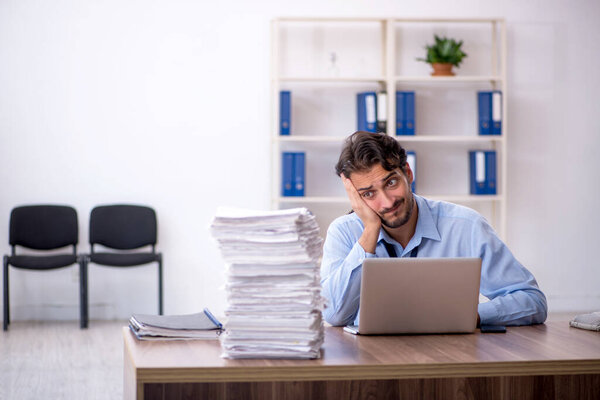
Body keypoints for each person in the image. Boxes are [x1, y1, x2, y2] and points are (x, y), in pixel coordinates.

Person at [321, 131, 547, 327]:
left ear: (407, 173)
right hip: (372, 363)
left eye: (391, 183)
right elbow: (334, 314)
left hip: (450, 360)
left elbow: (532, 301)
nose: (387, 202)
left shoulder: (465, 226)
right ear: (356, 198)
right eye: (368, 194)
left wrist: (467, 316)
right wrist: (370, 229)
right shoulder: (344, 232)